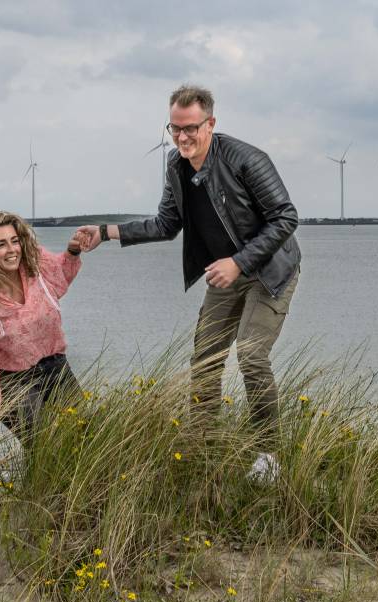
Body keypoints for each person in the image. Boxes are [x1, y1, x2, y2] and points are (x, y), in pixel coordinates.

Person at [76, 84, 301, 483]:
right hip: (225, 274)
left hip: (269, 271)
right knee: (205, 360)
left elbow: (285, 218)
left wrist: (239, 261)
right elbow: (166, 224)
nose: (182, 137)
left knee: (251, 356)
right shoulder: (176, 167)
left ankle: (270, 455)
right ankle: (201, 446)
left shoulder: (246, 159)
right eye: (174, 129)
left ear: (210, 123)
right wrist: (106, 231)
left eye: (191, 128)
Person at [0, 211, 87, 449]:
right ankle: (42, 486)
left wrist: (73, 251)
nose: (11, 249)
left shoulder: (36, 269)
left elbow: (61, 276)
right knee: (44, 447)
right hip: (15, 382)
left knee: (84, 432)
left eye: (14, 241)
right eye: (1, 244)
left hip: (56, 367)